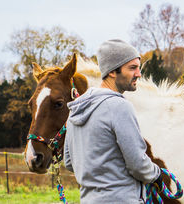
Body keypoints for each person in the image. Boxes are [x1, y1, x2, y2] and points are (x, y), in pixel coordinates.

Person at [64, 39, 163, 204]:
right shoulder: (120, 106)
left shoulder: (76, 109)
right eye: (132, 68)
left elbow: (69, 162)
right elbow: (137, 163)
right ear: (112, 71)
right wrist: (156, 174)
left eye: (139, 68)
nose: (138, 73)